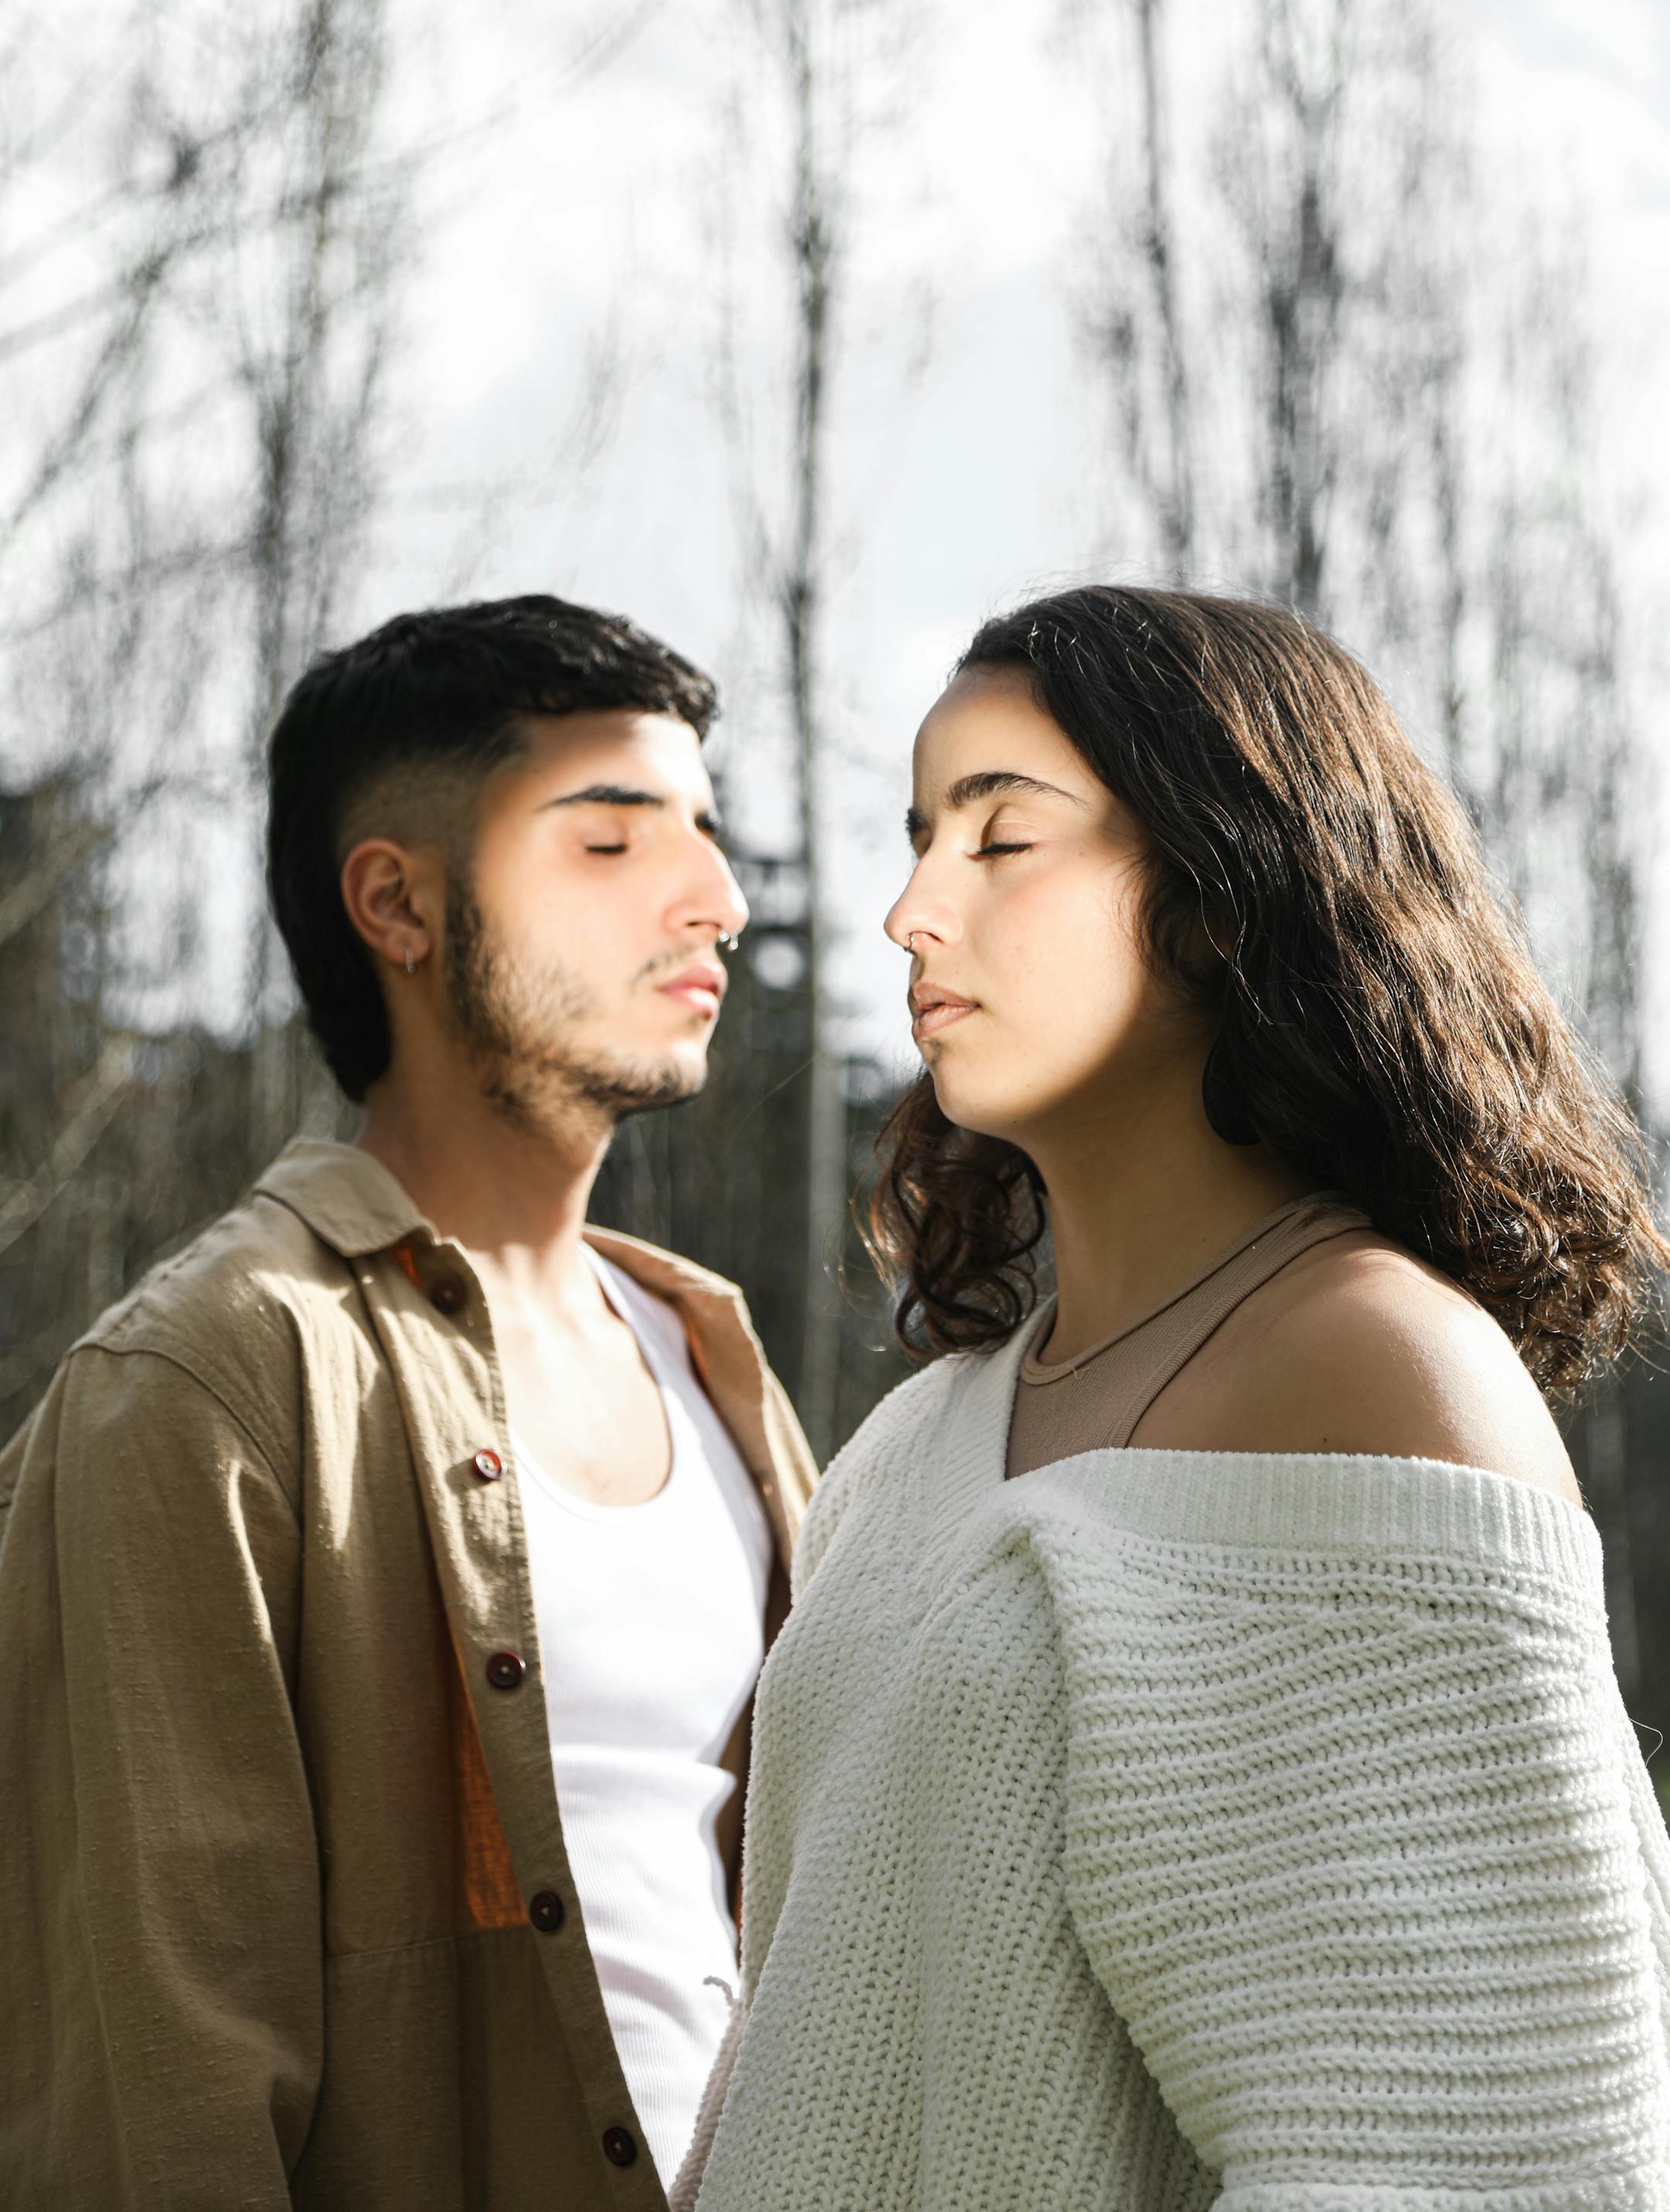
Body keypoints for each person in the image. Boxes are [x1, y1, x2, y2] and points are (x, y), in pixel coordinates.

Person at [677, 585, 1670, 2212]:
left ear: (1219, 894)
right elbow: (790, 2054)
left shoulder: (1371, 1368)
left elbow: (1499, 2158)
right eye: (919, 838)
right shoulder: (916, 1440)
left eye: (1001, 843)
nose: (912, 911)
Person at [0, 595, 816, 2211]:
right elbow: (157, 2104)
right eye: (610, 842)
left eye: (707, 839)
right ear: (400, 902)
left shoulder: (711, 1354)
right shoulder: (204, 1387)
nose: (711, 901)